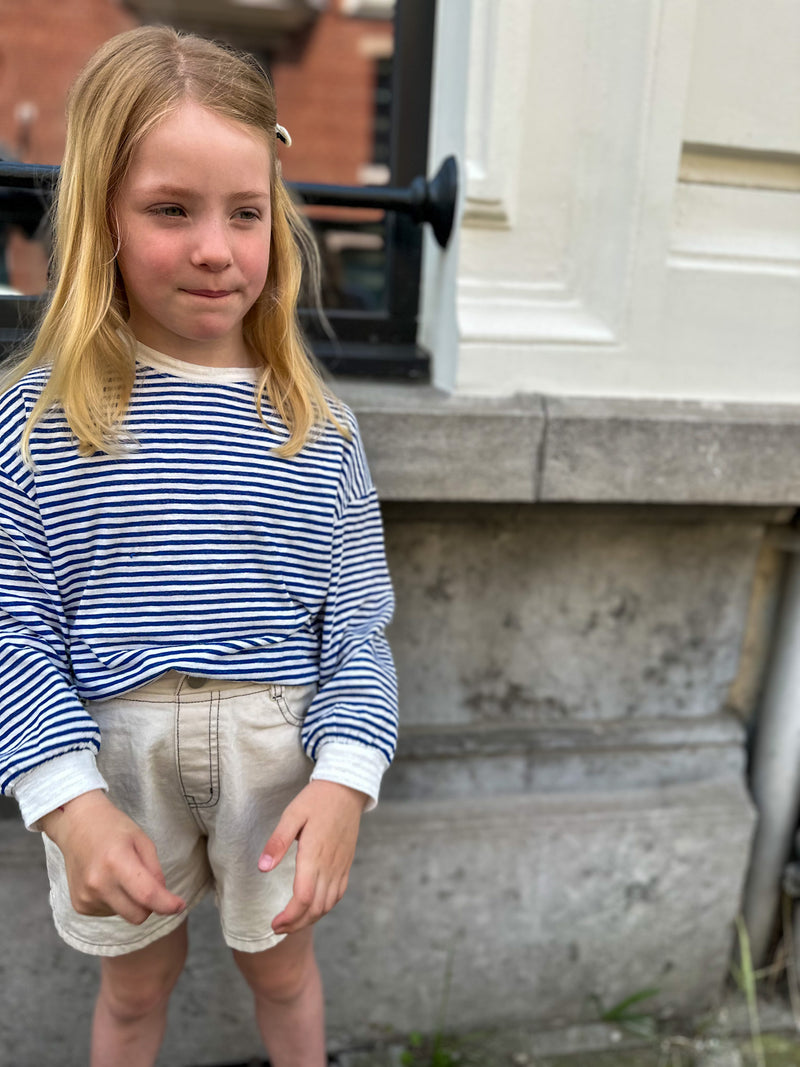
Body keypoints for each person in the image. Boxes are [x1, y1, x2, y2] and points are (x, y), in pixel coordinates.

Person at [0, 25, 397, 1067]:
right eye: (170, 210)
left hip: (281, 756)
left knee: (283, 969)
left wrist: (347, 776)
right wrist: (69, 805)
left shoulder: (319, 429)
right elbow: (14, 627)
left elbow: (358, 627)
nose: (215, 247)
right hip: (113, 762)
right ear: (101, 219)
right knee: (134, 988)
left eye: (244, 212)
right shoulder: (40, 425)